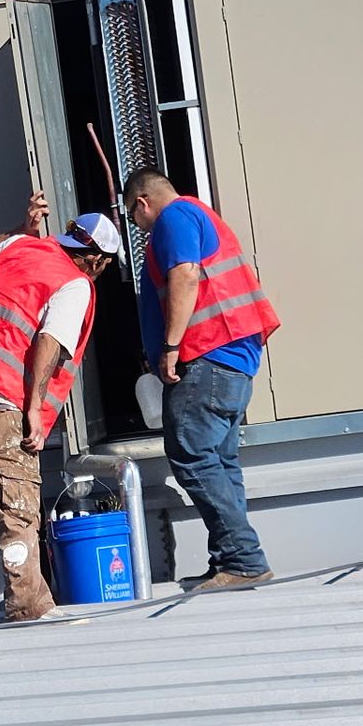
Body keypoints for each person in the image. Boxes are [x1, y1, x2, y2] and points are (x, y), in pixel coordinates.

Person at [0, 193, 123, 621]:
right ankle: (27, 606)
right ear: (97, 261)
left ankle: (30, 595)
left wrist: (24, 228)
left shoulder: (21, 247)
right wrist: (33, 410)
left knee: (6, 503)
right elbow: (49, 342)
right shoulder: (75, 283)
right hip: (4, 396)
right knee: (20, 506)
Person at [124, 167, 281, 591]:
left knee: (191, 454)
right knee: (220, 461)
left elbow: (186, 276)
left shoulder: (173, 218)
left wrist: (170, 346)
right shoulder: (199, 214)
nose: (138, 228)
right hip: (233, 359)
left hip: (207, 355)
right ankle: (231, 559)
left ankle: (244, 559)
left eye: (133, 217)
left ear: (142, 202)